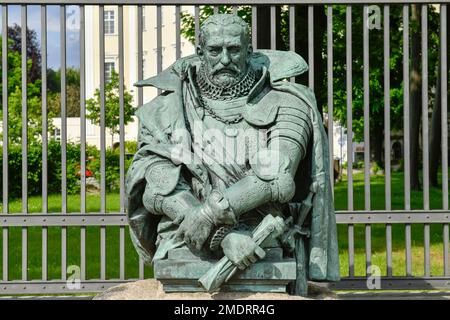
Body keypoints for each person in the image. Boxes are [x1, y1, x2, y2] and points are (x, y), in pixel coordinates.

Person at [126, 14, 339, 293]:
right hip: (184, 238)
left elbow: (277, 176)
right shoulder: (164, 110)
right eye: (215, 50)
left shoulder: (288, 102)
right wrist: (221, 235)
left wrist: (209, 216)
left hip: (263, 239)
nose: (224, 59)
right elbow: (156, 187)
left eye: (234, 49)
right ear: (200, 53)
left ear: (249, 51)